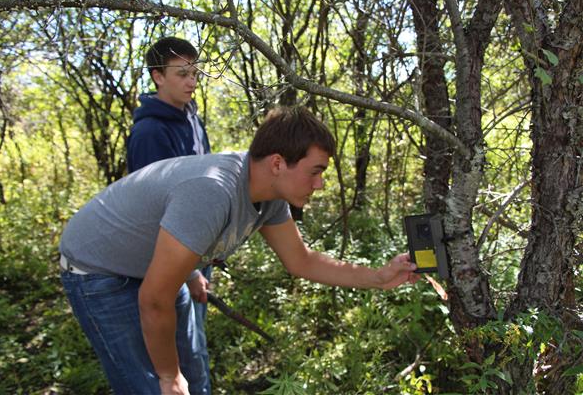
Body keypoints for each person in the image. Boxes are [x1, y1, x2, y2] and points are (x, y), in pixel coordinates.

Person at [59, 106, 419, 395]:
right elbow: (154, 298)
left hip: (155, 266)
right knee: (154, 385)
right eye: (315, 171)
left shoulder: (270, 196)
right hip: (99, 273)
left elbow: (302, 260)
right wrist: (168, 377)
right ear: (278, 163)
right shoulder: (213, 191)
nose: (321, 184)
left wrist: (379, 276)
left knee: (194, 375)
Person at [126, 37, 212, 393]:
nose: (191, 81)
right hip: (172, 258)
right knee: (180, 356)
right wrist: (189, 272)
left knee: (196, 344)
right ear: (157, 76)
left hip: (197, 249)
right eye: (182, 74)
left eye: (195, 73)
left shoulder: (191, 117)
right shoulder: (150, 132)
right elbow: (155, 210)